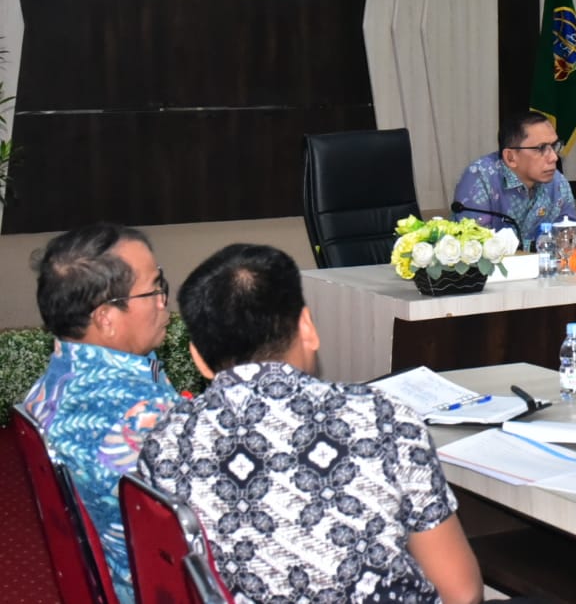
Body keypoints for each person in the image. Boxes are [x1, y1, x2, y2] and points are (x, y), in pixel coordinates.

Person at [139, 244, 484, 604]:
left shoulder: (164, 442)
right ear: (307, 327)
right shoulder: (384, 418)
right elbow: (461, 591)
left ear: (198, 359)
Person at [23, 223, 179, 604]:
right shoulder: (139, 414)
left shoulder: (51, 385)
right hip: (157, 585)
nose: (163, 301)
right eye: (154, 289)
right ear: (106, 318)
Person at [452, 110, 576, 247]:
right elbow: (474, 246)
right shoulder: (480, 178)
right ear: (510, 157)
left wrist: (574, 240)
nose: (554, 157)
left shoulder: (557, 182)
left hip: (545, 267)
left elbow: (570, 233)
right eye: (541, 148)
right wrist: (541, 245)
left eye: (554, 146)